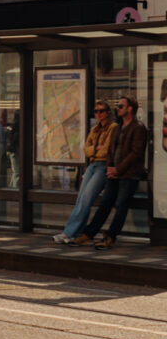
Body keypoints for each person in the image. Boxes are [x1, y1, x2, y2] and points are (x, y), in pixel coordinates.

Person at [73, 95, 149, 249]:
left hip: (129, 174)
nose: (117, 109)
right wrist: (109, 167)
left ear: (130, 109)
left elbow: (136, 153)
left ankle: (110, 237)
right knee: (105, 204)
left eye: (121, 106)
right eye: (117, 106)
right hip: (114, 173)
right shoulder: (118, 127)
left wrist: (118, 169)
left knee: (121, 205)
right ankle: (88, 234)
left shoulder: (138, 127)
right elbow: (110, 151)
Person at [53, 101, 114, 244]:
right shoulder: (94, 129)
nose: (98, 114)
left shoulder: (113, 128)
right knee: (81, 198)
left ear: (108, 112)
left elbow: (107, 150)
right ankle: (75, 232)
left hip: (102, 166)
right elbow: (86, 149)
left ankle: (69, 232)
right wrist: (95, 149)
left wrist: (96, 149)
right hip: (92, 165)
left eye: (102, 111)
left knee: (86, 198)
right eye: (96, 111)